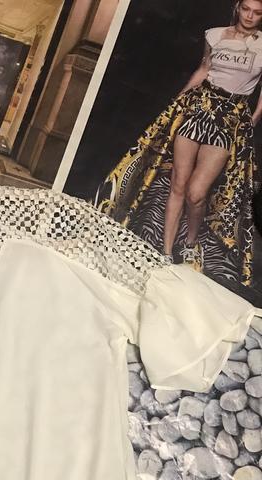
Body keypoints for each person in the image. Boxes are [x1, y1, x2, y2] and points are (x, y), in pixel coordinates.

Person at [97, 0, 262, 286]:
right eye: (246, 9)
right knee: (178, 183)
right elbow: (203, 69)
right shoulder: (214, 35)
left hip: (229, 120)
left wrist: (252, 121)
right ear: (238, 7)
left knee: (197, 193)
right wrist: (178, 102)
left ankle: (191, 242)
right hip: (198, 109)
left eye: (257, 12)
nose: (250, 16)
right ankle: (165, 252)